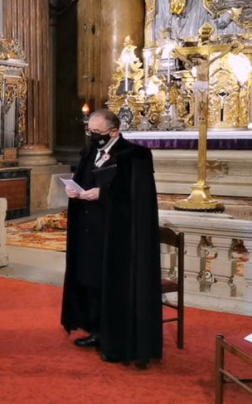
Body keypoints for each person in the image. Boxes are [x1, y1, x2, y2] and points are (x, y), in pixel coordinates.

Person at [61, 109, 162, 368]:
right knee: (92, 282)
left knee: (115, 287)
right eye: (89, 131)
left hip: (119, 236)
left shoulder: (134, 156)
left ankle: (116, 342)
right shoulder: (89, 152)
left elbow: (136, 198)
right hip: (90, 233)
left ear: (114, 132)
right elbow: (83, 179)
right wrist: (75, 191)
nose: (92, 136)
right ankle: (96, 331)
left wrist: (103, 194)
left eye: (97, 132)